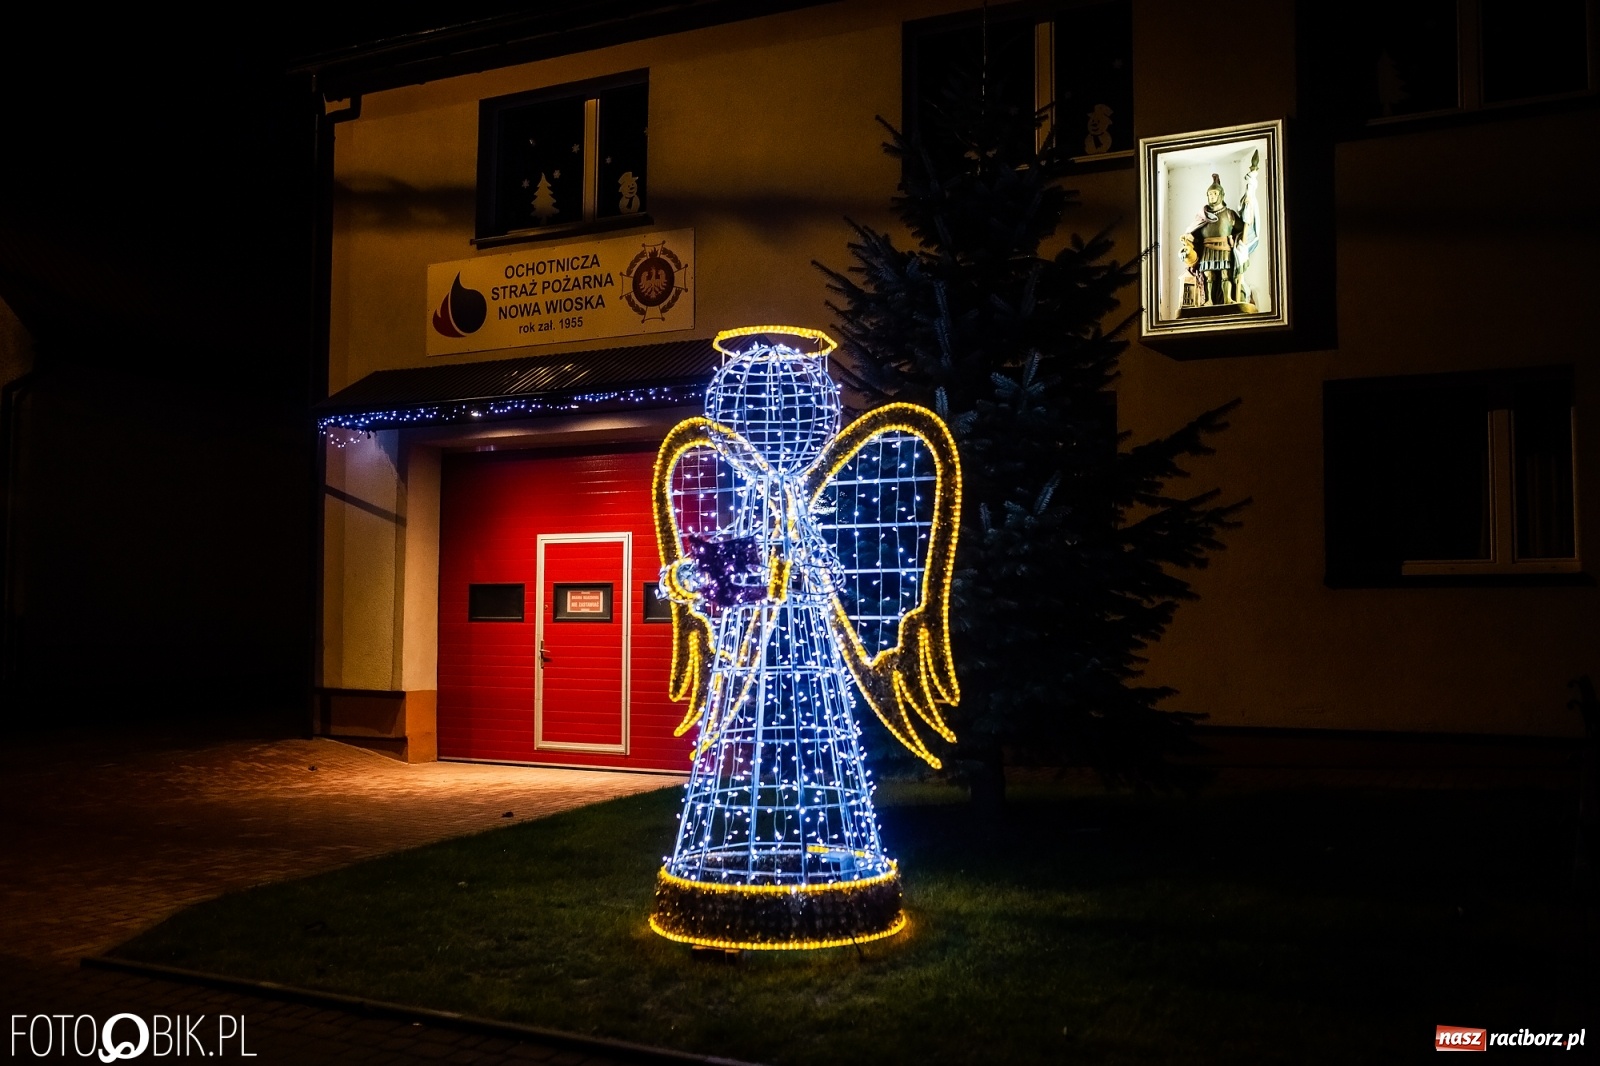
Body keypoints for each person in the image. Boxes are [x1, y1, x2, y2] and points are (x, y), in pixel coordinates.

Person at [1181, 173, 1246, 307]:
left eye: (1215, 194)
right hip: (1207, 249)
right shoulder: (1203, 216)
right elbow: (1195, 233)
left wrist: (1238, 242)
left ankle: (1227, 299)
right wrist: (1189, 238)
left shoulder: (1229, 214)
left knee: (1225, 274)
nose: (1212, 197)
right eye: (1210, 194)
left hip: (1224, 248)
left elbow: (1242, 230)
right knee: (1209, 276)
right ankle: (1209, 300)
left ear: (1222, 195)